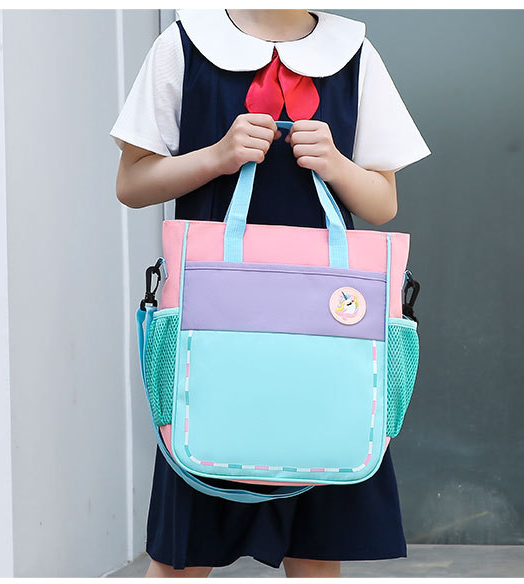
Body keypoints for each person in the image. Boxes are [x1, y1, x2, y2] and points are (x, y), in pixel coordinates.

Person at [110, 9, 431, 578]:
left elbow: (383, 202)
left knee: (316, 548)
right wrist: (217, 157)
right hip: (213, 324)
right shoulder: (185, 44)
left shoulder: (353, 53)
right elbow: (131, 183)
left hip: (325, 329)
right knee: (184, 549)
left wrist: (336, 165)